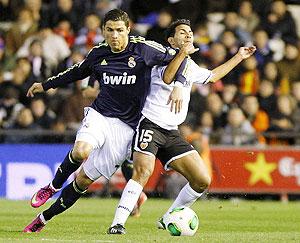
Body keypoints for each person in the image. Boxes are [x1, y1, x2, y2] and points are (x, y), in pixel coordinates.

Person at [23, 9, 196, 233]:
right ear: (103, 31)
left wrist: (179, 86)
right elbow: (76, 72)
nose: (115, 35)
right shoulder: (99, 53)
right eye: (110, 30)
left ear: (128, 29)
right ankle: (52, 186)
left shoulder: (144, 48)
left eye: (119, 30)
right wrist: (45, 85)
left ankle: (43, 219)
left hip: (127, 128)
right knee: (81, 151)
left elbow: (180, 59)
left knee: (83, 180)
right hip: (100, 115)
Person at [108, 19, 256, 234]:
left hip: (171, 131)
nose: (188, 35)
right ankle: (117, 223)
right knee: (143, 171)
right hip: (150, 124)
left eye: (190, 32)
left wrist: (239, 57)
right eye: (182, 32)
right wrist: (179, 76)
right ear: (171, 40)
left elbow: (213, 76)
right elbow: (168, 77)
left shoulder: (190, 65)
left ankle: (168, 216)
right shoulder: (160, 58)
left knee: (202, 180)